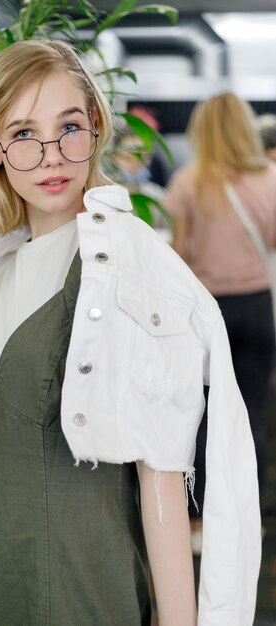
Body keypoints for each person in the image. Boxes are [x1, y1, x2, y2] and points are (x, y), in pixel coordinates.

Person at [0, 42, 260, 625]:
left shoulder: (127, 273)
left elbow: (159, 471)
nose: (51, 155)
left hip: (87, 588)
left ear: (96, 131)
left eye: (70, 127)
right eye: (24, 134)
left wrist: (179, 621)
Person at [163, 91, 276, 553]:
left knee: (205, 418)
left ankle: (200, 522)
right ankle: (247, 517)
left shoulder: (188, 183)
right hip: (258, 307)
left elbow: (177, 256)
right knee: (253, 417)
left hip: (210, 315)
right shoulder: (272, 178)